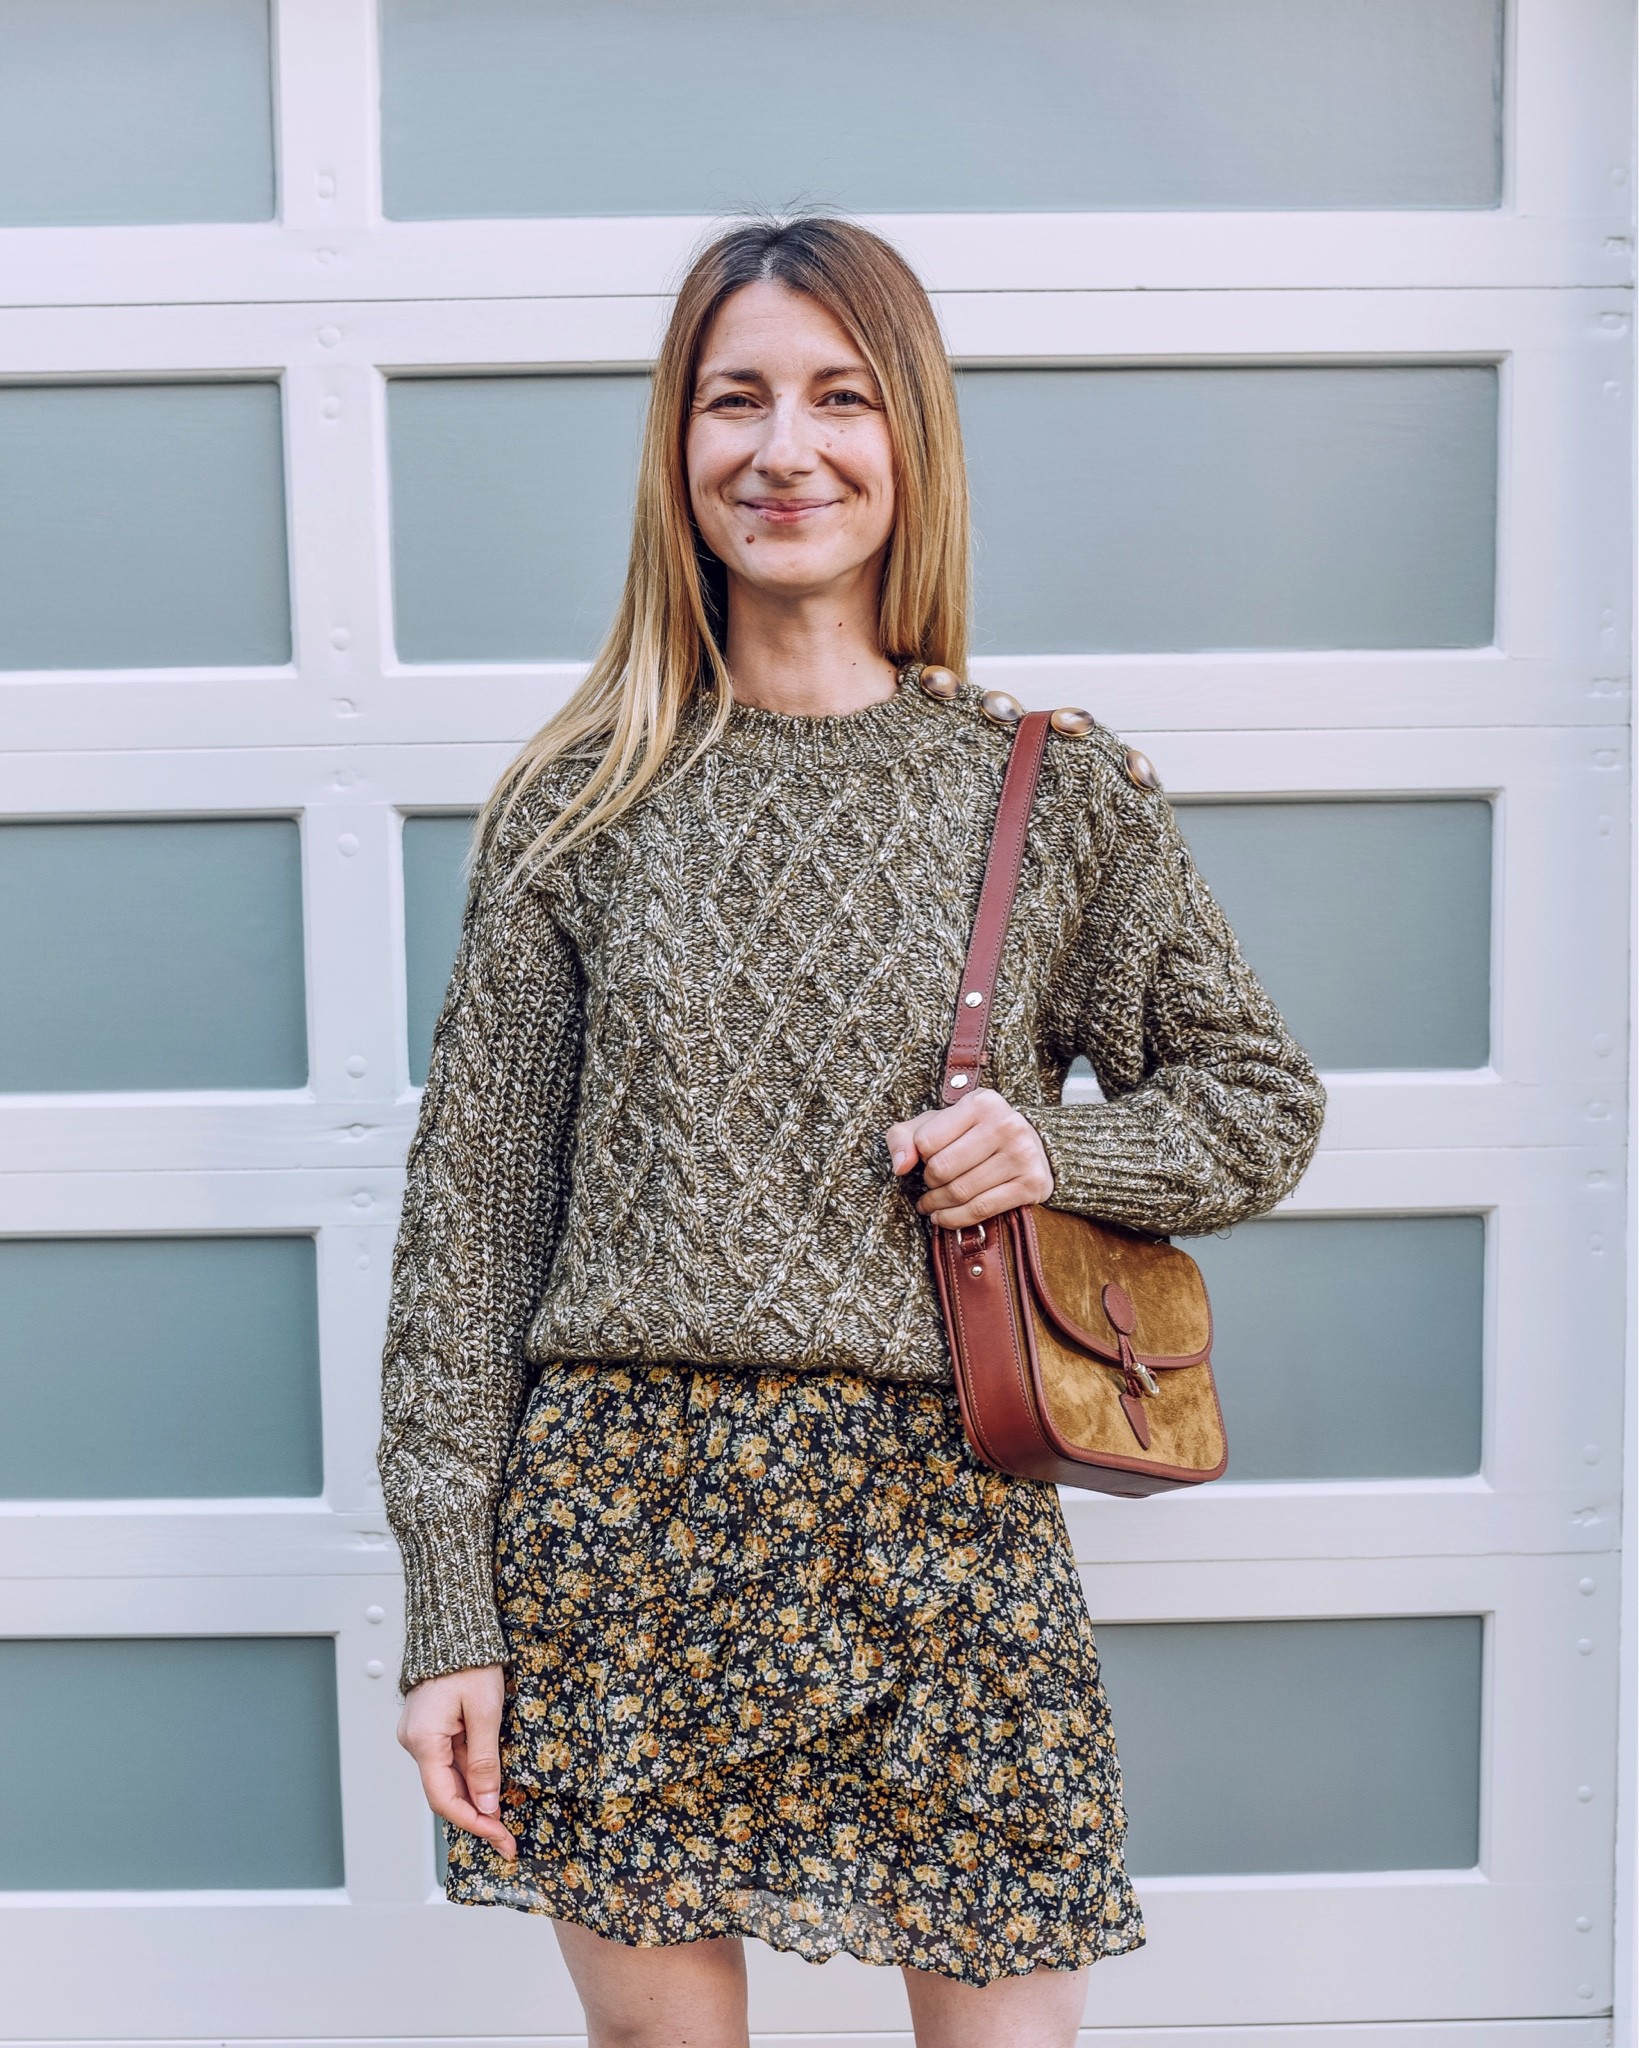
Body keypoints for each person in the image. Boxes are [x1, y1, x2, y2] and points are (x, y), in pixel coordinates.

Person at [378, 215, 1324, 2048]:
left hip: (945, 1520)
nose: (783, 448)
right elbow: (470, 1242)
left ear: (913, 443)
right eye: (735, 399)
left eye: (838, 397)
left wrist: (1059, 1157)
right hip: (622, 1525)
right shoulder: (580, 804)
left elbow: (1259, 1105)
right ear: (679, 446)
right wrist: (450, 1613)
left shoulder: (1053, 794)